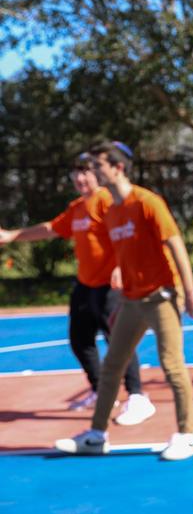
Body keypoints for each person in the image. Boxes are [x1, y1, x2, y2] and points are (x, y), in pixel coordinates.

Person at [54, 140, 193, 461]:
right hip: (132, 301)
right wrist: (121, 287)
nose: (93, 171)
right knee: (112, 367)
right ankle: (97, 435)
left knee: (172, 365)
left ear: (118, 168)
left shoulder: (147, 202)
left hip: (162, 295)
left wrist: (190, 292)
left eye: (98, 165)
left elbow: (175, 245)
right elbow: (122, 252)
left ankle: (188, 435)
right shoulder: (112, 211)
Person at [0, 152, 154, 425]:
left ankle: (137, 396)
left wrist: (121, 266)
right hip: (86, 284)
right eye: (76, 172)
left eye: (86, 172)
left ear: (98, 174)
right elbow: (51, 228)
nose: (80, 178)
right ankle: (100, 391)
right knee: (80, 340)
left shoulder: (106, 201)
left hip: (111, 286)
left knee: (118, 341)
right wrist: (12, 235)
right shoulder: (78, 207)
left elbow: (128, 234)